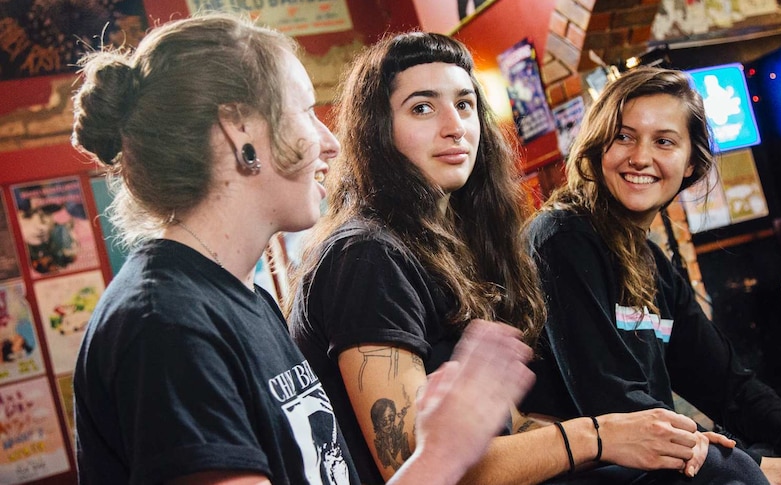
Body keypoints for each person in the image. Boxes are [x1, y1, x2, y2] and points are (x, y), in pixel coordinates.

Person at [70, 13, 537, 485]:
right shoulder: (167, 326)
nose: (331, 144)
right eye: (305, 112)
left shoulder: (245, 300)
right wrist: (444, 453)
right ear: (240, 131)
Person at [288, 32, 764, 485]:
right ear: (376, 131)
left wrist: (649, 441)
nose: (454, 127)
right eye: (422, 108)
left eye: (464, 104)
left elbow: (511, 429)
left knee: (718, 465)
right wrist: (598, 436)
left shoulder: (452, 251)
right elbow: (411, 467)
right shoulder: (366, 255)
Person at [523, 66, 781, 485]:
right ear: (597, 147)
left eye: (664, 141)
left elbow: (727, 384)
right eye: (624, 136)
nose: (641, 156)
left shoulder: (651, 262)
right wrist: (755, 467)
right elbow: (612, 404)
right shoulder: (561, 237)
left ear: (690, 164)